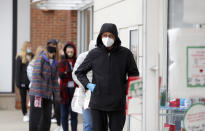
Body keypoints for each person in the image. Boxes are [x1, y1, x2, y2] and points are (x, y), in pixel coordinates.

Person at [75, 23, 139, 131]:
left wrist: (124, 89)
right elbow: (79, 72)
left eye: (110, 35)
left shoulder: (126, 54)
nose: (107, 38)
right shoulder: (94, 54)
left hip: (117, 104)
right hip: (98, 102)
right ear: (100, 36)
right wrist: (88, 85)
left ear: (115, 37)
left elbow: (134, 74)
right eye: (104, 35)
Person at [29, 39, 60, 131]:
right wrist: (38, 94)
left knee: (47, 118)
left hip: (47, 94)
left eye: (54, 45)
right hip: (37, 94)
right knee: (36, 117)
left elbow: (55, 80)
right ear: (47, 46)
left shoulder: (55, 62)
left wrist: (57, 96)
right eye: (51, 45)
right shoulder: (41, 58)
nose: (53, 47)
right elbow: (36, 75)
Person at [72, 40, 96, 131]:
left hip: (101, 95)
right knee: (88, 124)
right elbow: (75, 74)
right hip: (87, 95)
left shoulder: (105, 57)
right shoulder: (82, 57)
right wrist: (86, 86)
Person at [58, 42, 78, 131]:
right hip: (64, 91)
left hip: (74, 90)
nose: (69, 53)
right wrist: (69, 73)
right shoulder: (62, 62)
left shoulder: (77, 61)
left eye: (71, 52)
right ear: (65, 52)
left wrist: (68, 73)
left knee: (74, 114)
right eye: (68, 51)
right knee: (64, 114)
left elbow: (77, 75)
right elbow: (61, 75)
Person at [15, 41, 33, 122]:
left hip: (30, 81)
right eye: (29, 47)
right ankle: (25, 114)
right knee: (23, 98)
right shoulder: (20, 57)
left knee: (32, 97)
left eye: (31, 47)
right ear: (25, 47)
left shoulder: (32, 56)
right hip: (22, 82)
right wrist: (17, 82)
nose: (30, 48)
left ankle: (32, 113)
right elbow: (17, 71)